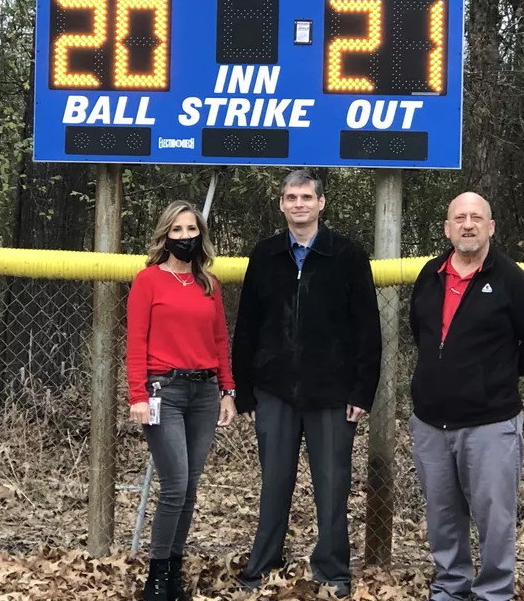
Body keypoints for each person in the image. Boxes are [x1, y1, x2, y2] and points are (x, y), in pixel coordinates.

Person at [232, 169, 382, 598]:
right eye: (290, 197)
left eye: (306, 197)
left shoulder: (347, 254)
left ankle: (332, 570)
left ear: (321, 203)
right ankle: (261, 567)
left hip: (332, 393)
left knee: (333, 486)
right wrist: (245, 390)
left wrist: (361, 391)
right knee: (274, 483)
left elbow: (367, 329)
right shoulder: (264, 256)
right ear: (281, 204)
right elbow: (248, 326)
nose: (298, 204)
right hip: (275, 390)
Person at [408, 192, 524, 601]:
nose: (468, 224)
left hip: (490, 424)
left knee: (495, 517)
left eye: (476, 217)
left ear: (490, 227)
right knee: (443, 517)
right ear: (447, 228)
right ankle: (451, 587)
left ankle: (493, 592)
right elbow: (419, 331)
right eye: (460, 218)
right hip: (431, 422)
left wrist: (497, 377)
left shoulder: (510, 279)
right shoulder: (429, 273)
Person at [126, 201, 237, 601]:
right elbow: (136, 340)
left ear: (200, 235)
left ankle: (173, 571)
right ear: (165, 236)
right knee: (174, 486)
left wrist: (228, 390)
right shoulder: (148, 281)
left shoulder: (209, 284)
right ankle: (155, 579)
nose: (185, 237)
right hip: (163, 392)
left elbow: (220, 341)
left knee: (189, 489)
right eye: (177, 230)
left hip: (205, 393)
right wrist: (137, 393)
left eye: (191, 229)